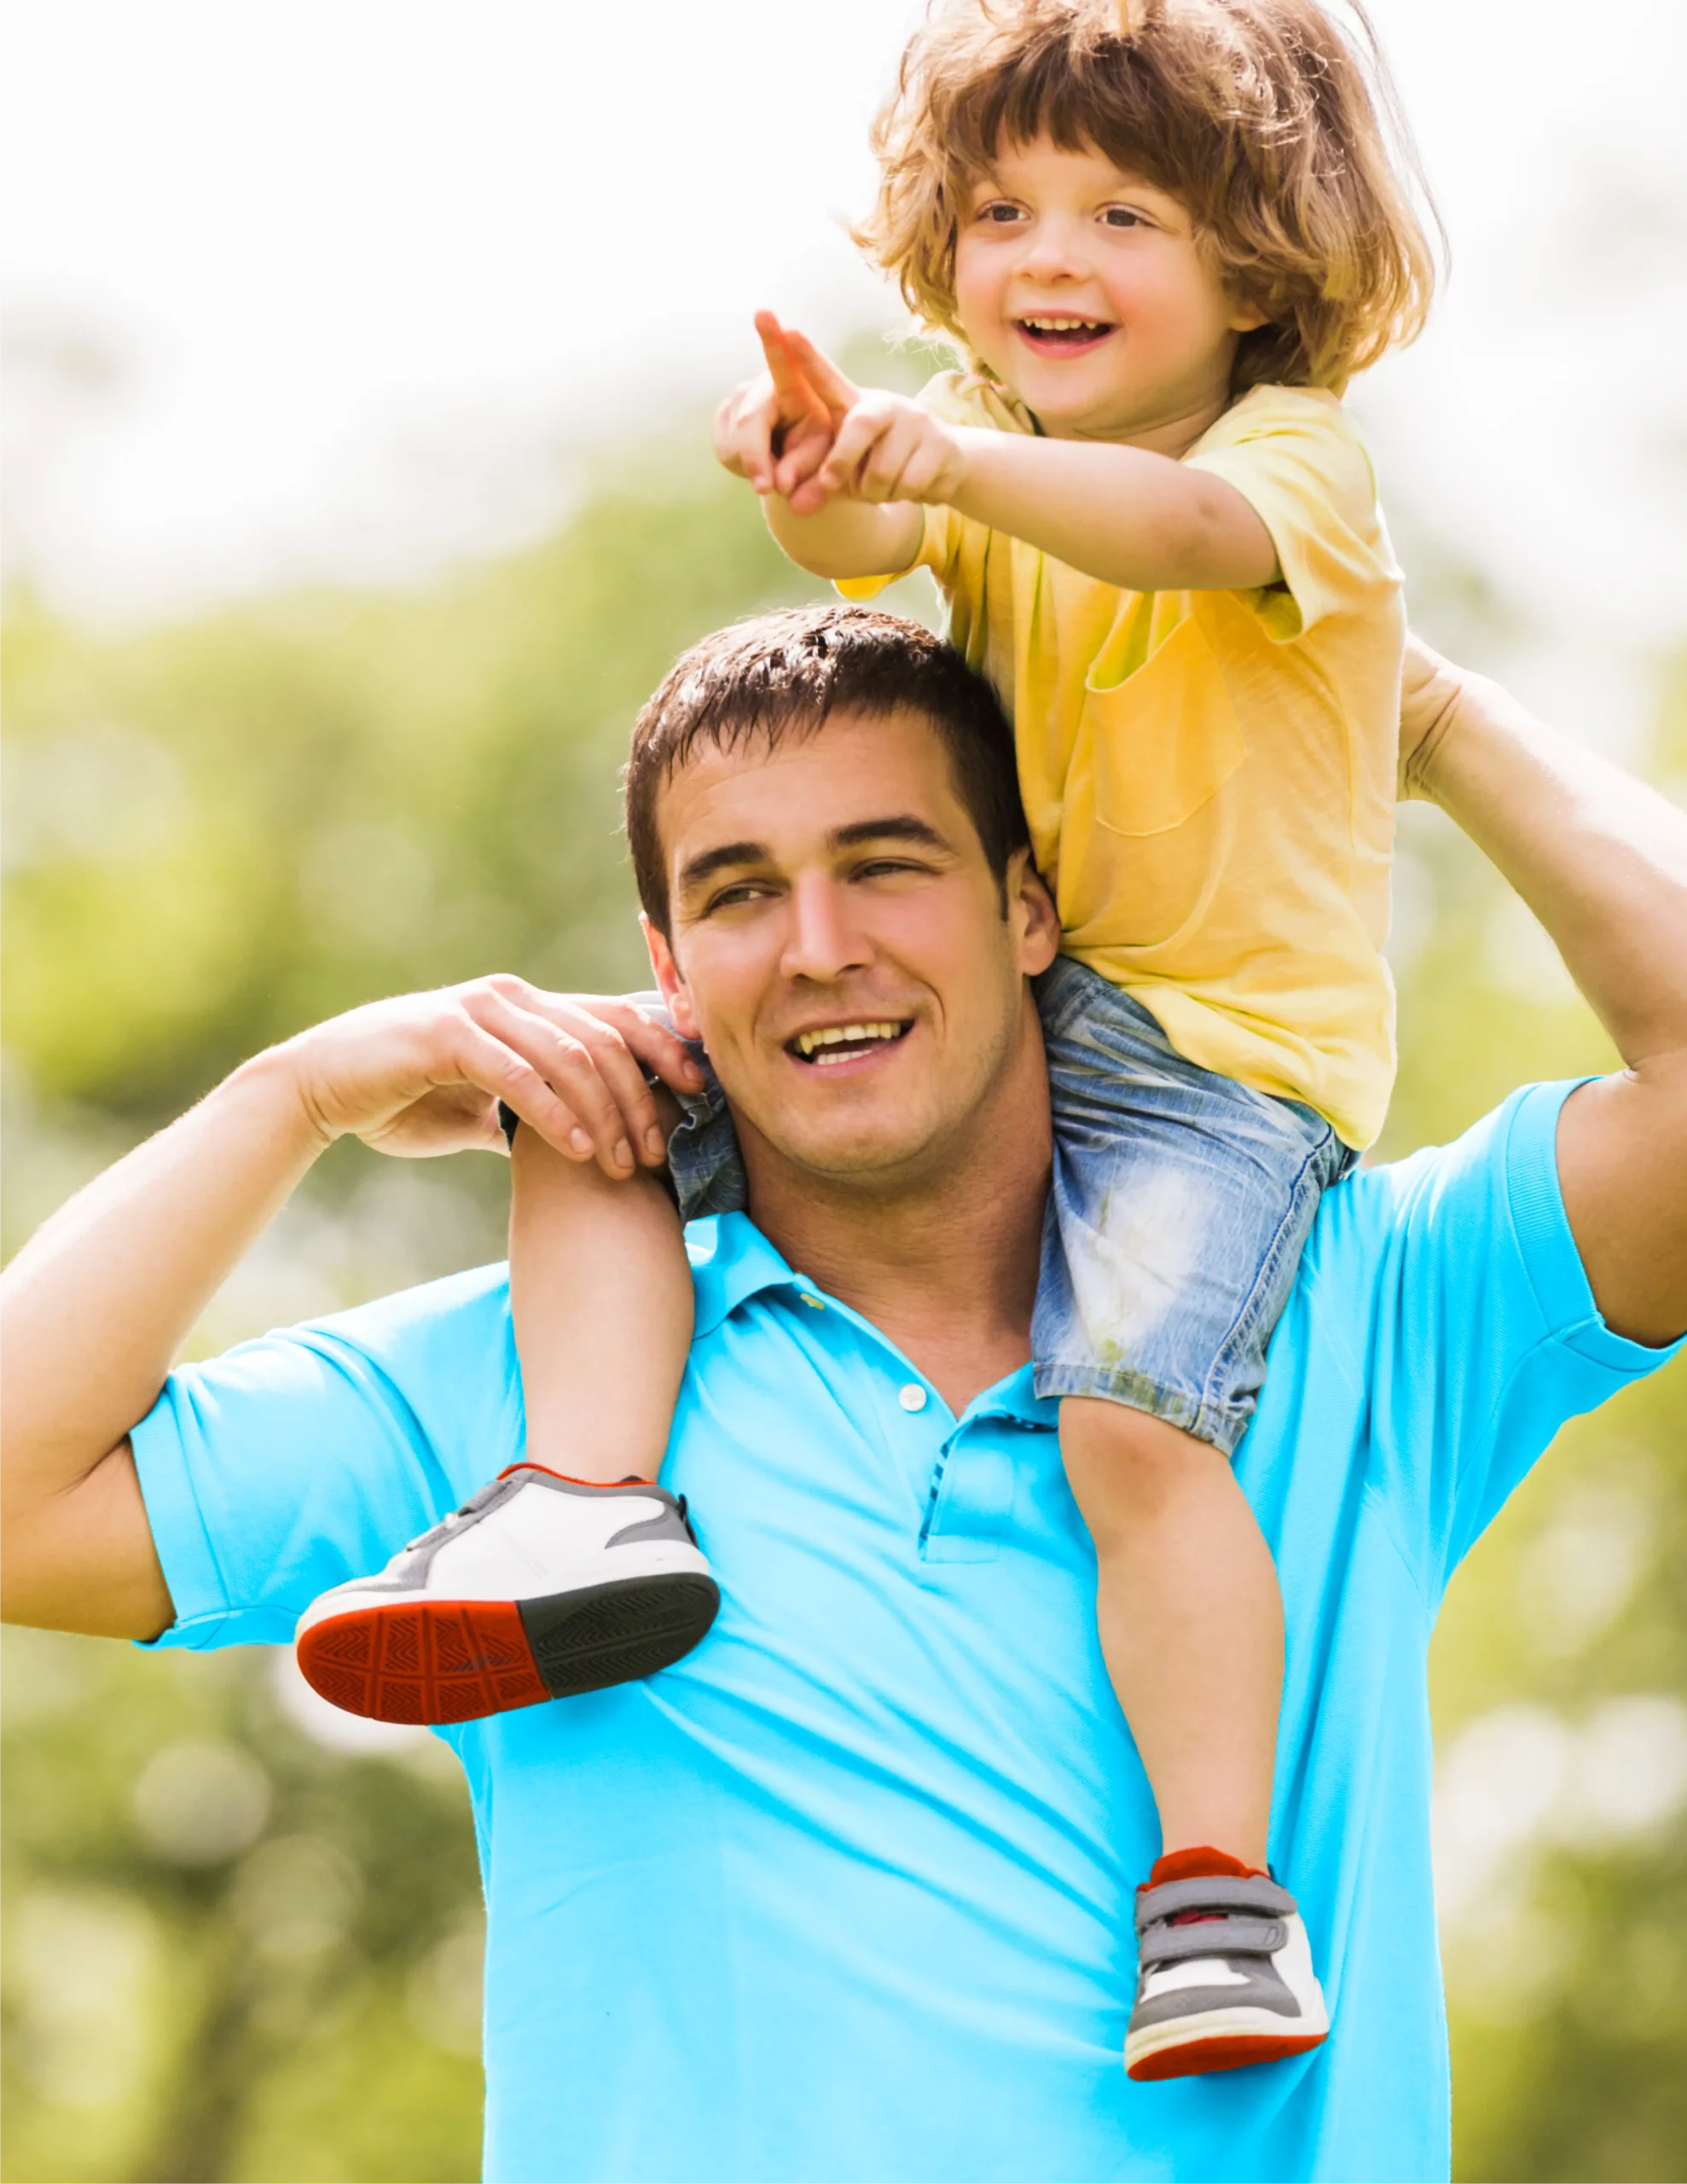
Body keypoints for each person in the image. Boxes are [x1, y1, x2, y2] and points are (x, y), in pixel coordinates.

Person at [0, 605, 1684, 2182]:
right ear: (666, 963)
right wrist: (292, 1092)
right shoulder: (528, 1390)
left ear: (1027, 905)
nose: (817, 946)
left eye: (885, 865)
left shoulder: (1351, 1306)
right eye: (736, 892)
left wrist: (1416, 698)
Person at [327, 0, 1438, 2080]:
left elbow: (1173, 541)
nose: (1048, 257)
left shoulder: (1288, 465)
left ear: (1256, 265)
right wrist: (824, 473)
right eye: (1003, 209)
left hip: (1214, 1062)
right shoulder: (976, 453)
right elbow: (858, 545)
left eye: (1123, 213)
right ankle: (582, 1488)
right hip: (1031, 1000)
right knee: (612, 1093)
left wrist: (950, 461)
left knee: (1125, 1421)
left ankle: (1214, 1890)